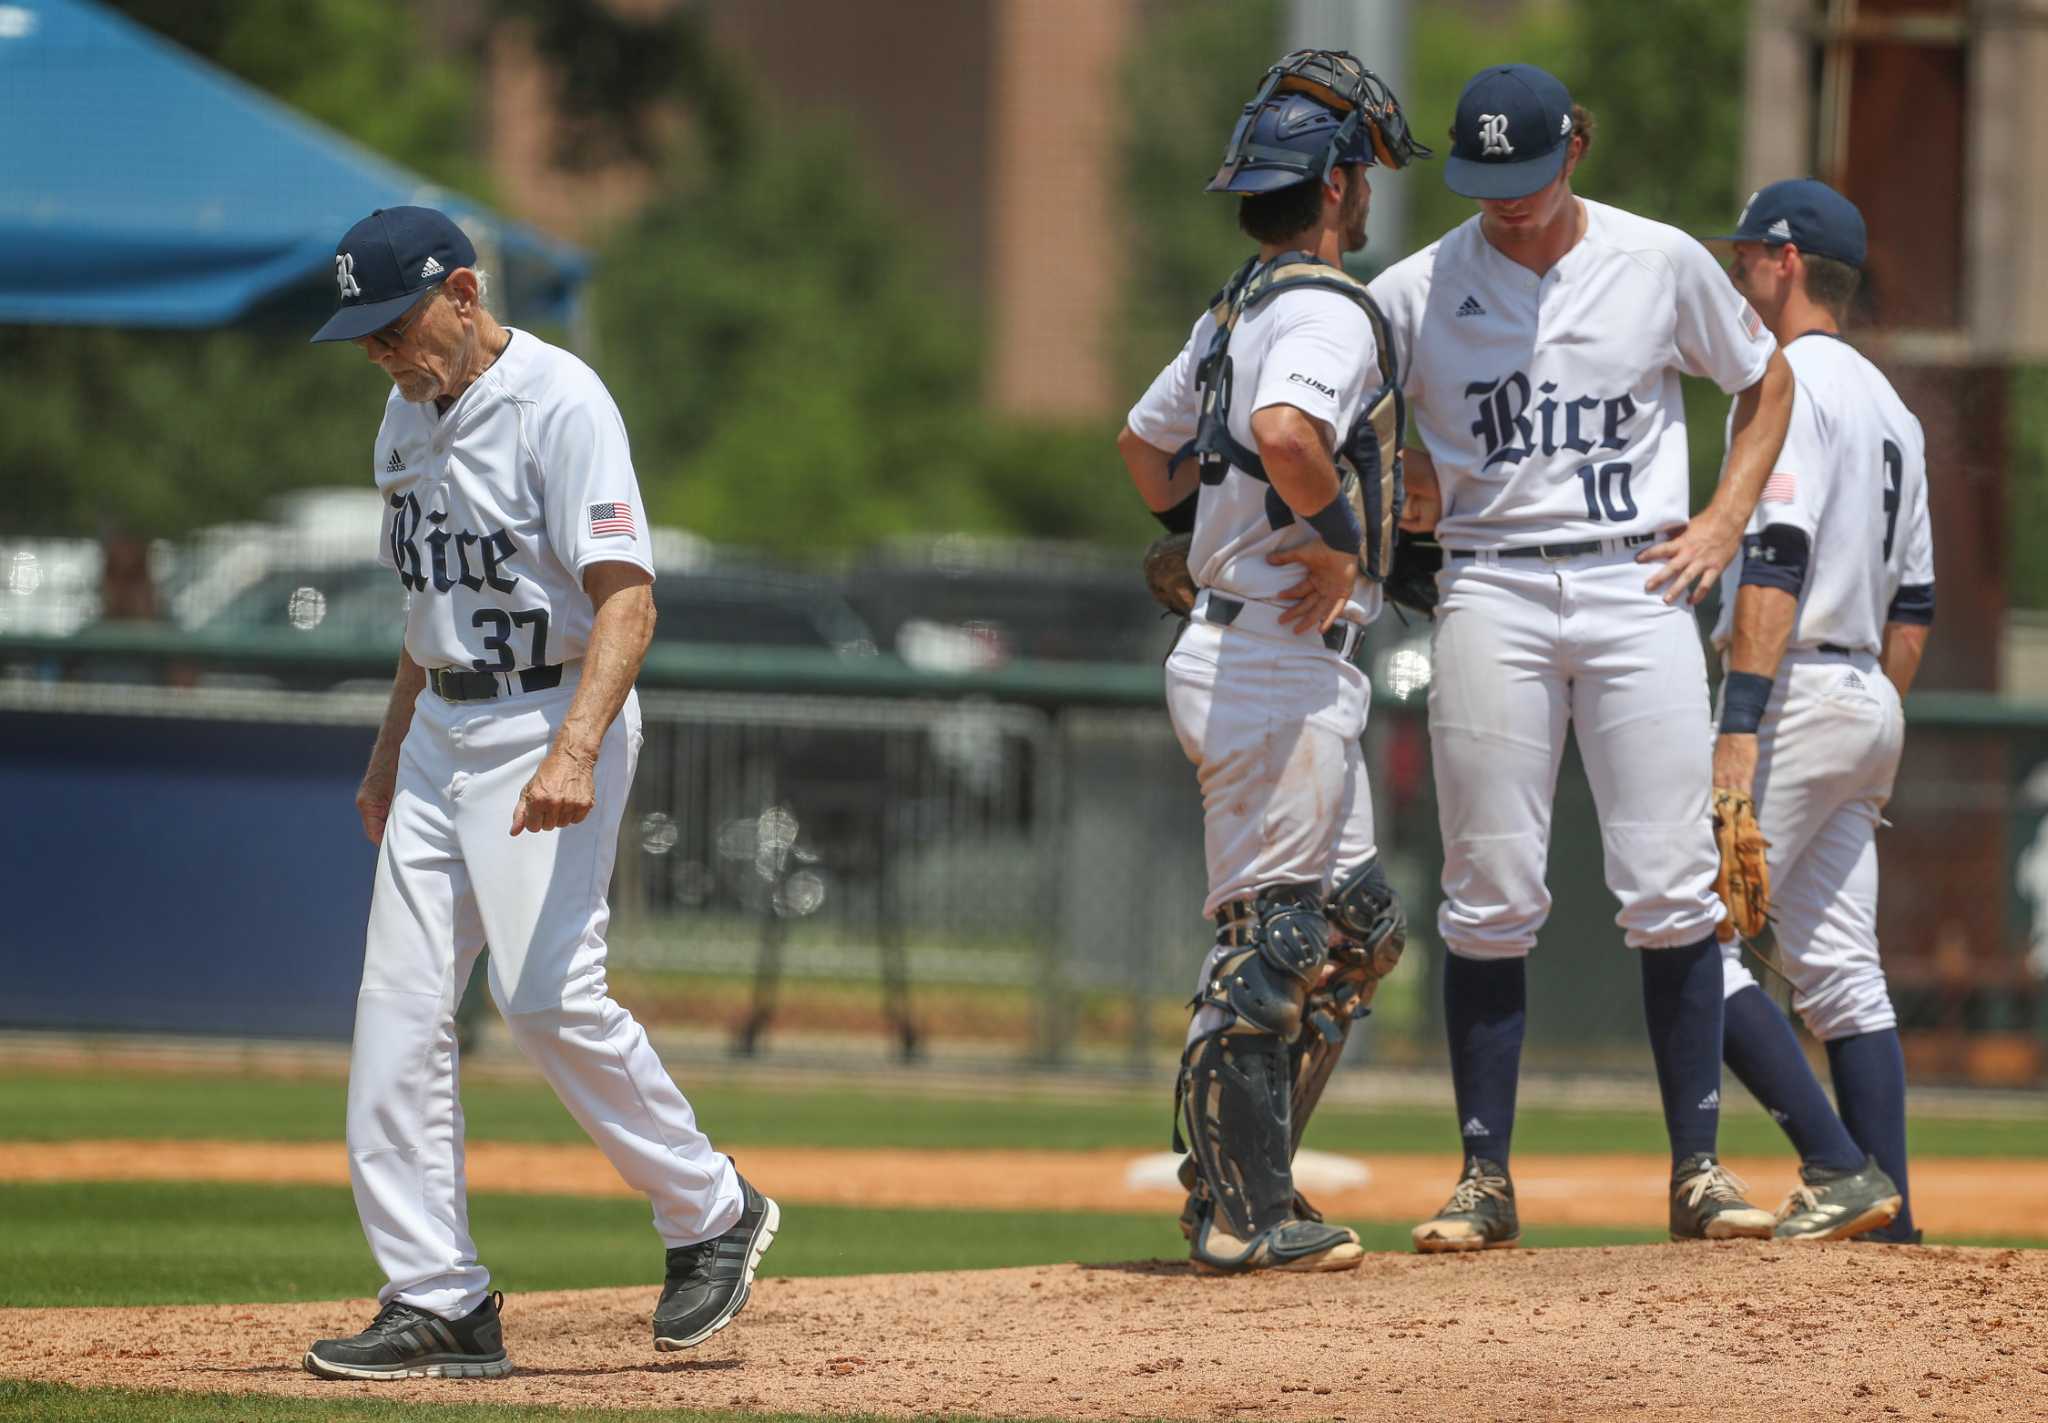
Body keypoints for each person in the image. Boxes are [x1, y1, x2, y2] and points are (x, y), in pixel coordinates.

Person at [301, 207, 776, 1379]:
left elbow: (626, 596)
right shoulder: (403, 415)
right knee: (398, 1010)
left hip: (543, 712)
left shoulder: (562, 401)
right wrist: (386, 745)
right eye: (364, 336)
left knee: (545, 993)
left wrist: (573, 747)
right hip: (439, 729)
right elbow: (427, 614)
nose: (382, 353)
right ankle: (439, 1298)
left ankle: (709, 1207)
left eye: (396, 324)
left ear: (463, 292)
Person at [1368, 64, 1797, 1250]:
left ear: (1575, 151)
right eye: (1481, 178)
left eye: (1524, 173)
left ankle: (1699, 1168)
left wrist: (1723, 520)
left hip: (1634, 576)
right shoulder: (1414, 289)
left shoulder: (1657, 261)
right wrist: (1391, 483)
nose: (1502, 199)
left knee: (1671, 887)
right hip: (1490, 582)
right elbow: (1345, 413)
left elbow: (1765, 381)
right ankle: (1481, 1176)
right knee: (1489, 889)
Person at [1116, 49, 1425, 1274]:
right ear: (1339, 185)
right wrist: (1339, 536)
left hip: (1261, 655)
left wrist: (1194, 537)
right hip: (1269, 666)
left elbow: (1146, 455)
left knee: (1357, 933)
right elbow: (1288, 429)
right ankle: (1244, 1214)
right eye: (1360, 175)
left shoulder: (1232, 307)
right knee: (1276, 940)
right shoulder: (1319, 311)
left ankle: (1239, 1175)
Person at [1708, 179, 1931, 1243]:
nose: (1735, 267)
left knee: (1681, 933)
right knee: (1840, 972)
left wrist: (1741, 725)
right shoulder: (1892, 406)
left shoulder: (1786, 376)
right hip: (1865, 695)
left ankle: (1837, 1165)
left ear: (1786, 262)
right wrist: (1868, 724)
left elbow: (1775, 552)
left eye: (1746, 252)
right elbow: (1916, 607)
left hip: (1789, 684)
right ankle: (1885, 1218)